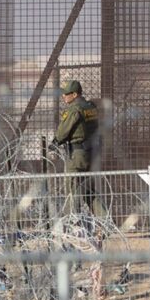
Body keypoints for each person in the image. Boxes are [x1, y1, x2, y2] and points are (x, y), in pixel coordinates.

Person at [53, 79, 105, 218]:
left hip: (77, 154)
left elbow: (63, 131)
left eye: (66, 94)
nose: (63, 96)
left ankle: (75, 222)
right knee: (88, 190)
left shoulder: (75, 109)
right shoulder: (90, 107)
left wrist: (55, 142)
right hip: (91, 152)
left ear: (75, 94)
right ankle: (105, 221)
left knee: (73, 188)